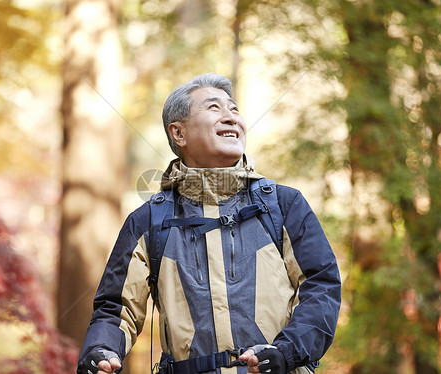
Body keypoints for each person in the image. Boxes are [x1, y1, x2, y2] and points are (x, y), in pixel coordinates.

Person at [77, 73, 341, 374]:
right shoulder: (149, 221)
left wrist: (287, 350)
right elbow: (116, 309)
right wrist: (101, 350)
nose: (230, 117)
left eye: (234, 110)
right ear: (179, 133)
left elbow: (321, 285)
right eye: (214, 108)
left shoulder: (283, 205)